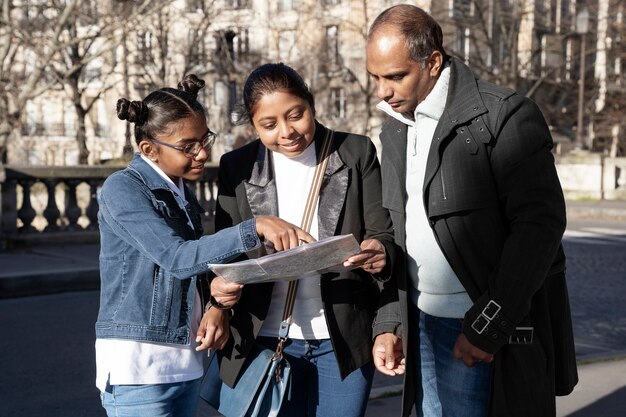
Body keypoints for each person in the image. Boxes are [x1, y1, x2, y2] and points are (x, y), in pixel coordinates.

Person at [366, 5, 578, 417]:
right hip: (419, 321)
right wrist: (391, 319)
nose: (382, 91)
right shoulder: (393, 125)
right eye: (375, 76)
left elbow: (540, 227)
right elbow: (396, 224)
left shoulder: (505, 114)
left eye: (394, 76)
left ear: (432, 62)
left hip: (473, 326)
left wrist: (486, 327)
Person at [95, 74, 314, 417]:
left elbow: (194, 272)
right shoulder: (122, 189)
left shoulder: (182, 191)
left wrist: (216, 302)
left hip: (185, 362)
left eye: (204, 139)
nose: (202, 153)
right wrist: (255, 226)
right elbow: (176, 258)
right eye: (187, 146)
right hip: (139, 368)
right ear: (149, 149)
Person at [205, 63, 397, 417]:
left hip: (340, 336)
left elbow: (382, 233)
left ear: (311, 103)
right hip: (262, 339)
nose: (287, 131)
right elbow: (224, 251)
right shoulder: (238, 166)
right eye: (269, 125)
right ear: (253, 125)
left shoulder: (355, 152)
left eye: (296, 115)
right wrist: (218, 300)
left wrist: (378, 251)